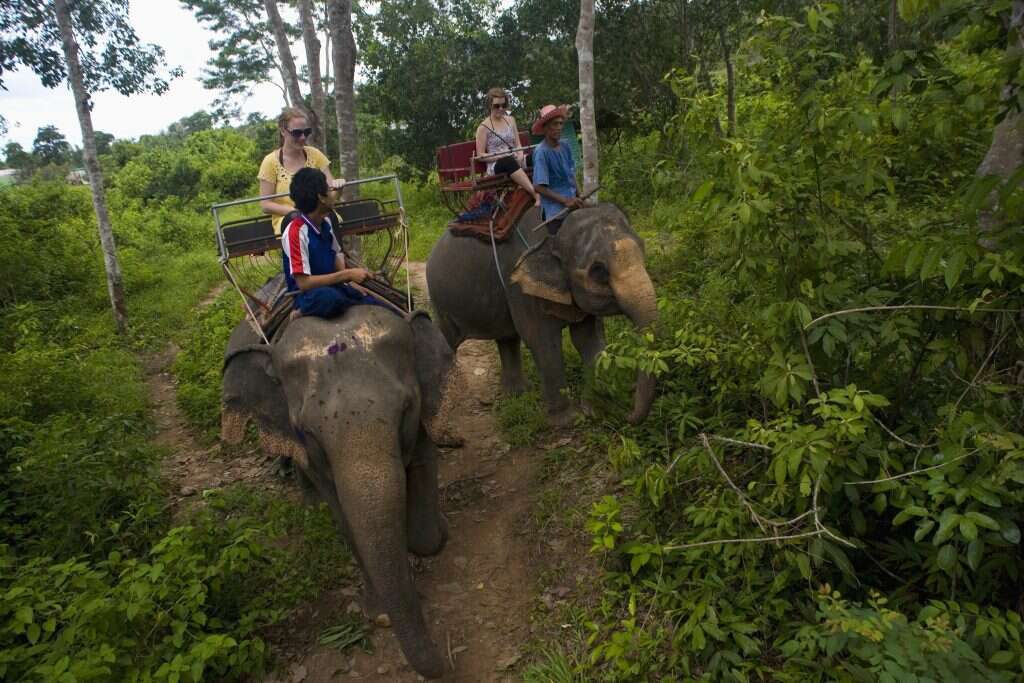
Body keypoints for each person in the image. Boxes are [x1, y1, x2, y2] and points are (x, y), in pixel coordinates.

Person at [281, 167, 386, 319]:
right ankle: (300, 311)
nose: (334, 194)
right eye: (329, 189)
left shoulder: (326, 222)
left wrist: (351, 281)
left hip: (334, 285)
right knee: (329, 299)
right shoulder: (295, 232)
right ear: (321, 198)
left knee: (372, 301)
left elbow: (336, 255)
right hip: (309, 294)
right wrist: (348, 274)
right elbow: (303, 283)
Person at [258, 107, 345, 235]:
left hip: (319, 216)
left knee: (329, 217)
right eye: (297, 133)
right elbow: (266, 204)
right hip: (290, 219)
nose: (303, 137)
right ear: (283, 131)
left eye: (307, 132)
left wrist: (339, 188)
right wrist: (296, 212)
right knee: (299, 224)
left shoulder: (315, 155)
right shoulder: (270, 162)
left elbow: (330, 197)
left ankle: (336, 253)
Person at [475, 87, 540, 206]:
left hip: (515, 157)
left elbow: (518, 144)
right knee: (507, 161)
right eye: (496, 106)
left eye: (503, 105)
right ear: (490, 105)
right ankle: (534, 193)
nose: (500, 109)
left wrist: (520, 156)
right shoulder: (483, 127)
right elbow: (480, 156)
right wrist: (501, 155)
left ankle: (548, 187)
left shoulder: (511, 120)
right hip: (497, 164)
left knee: (537, 156)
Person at [531, 104, 583, 234]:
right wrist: (566, 201)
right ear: (545, 128)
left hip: (573, 201)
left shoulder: (565, 145)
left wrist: (580, 195)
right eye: (554, 124)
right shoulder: (541, 152)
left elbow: (571, 173)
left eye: (561, 123)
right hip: (556, 210)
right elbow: (538, 187)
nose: (559, 127)